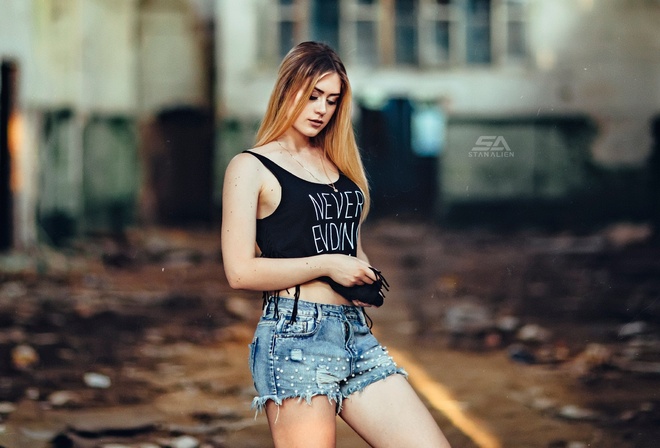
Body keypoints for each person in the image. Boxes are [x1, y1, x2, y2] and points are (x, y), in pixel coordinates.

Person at [221, 41, 451, 448]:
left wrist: (359, 273)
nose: (321, 109)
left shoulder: (336, 163)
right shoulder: (250, 167)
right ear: (285, 89)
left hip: (355, 336)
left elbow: (350, 245)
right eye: (312, 96)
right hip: (295, 340)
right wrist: (327, 264)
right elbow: (240, 271)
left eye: (331, 99)